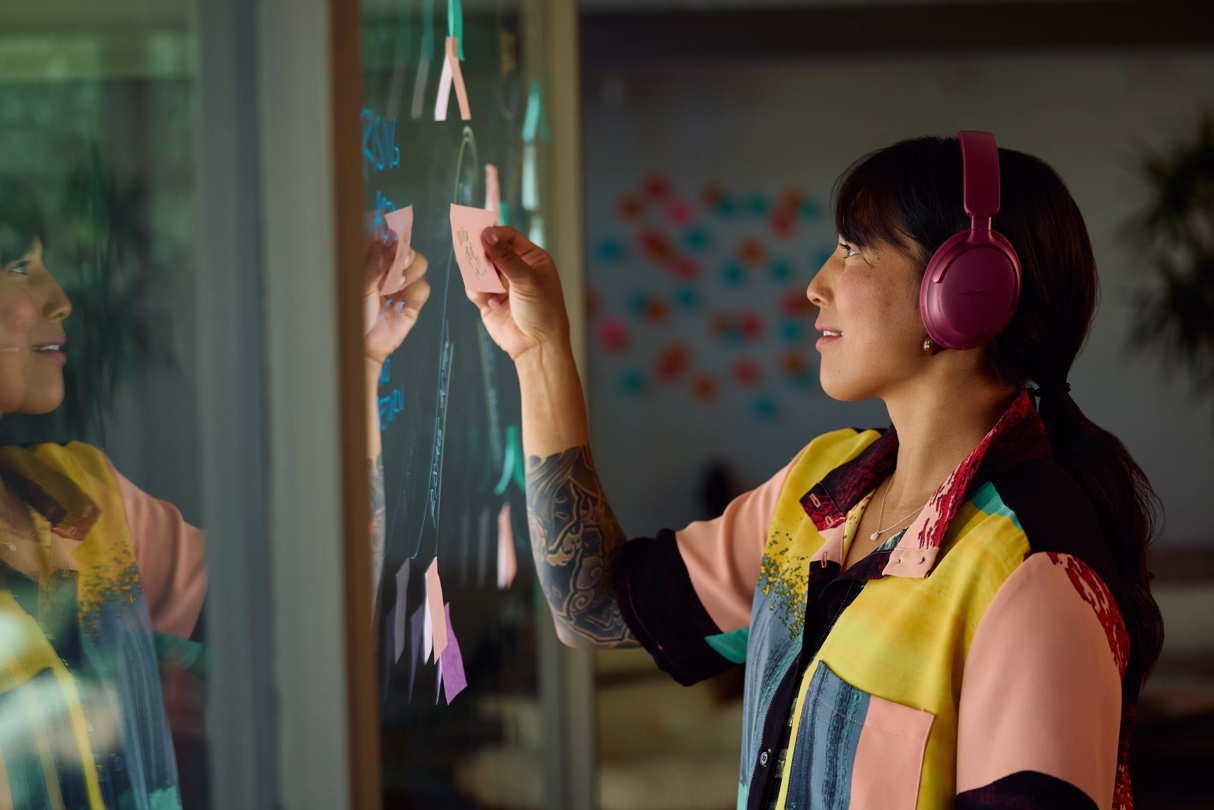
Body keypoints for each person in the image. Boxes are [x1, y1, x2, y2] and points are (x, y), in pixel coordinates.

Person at [468, 133, 1163, 810]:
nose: (814, 286)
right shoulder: (821, 490)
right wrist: (539, 353)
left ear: (967, 288)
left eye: (851, 250)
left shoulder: (1034, 570)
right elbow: (589, 607)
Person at [0, 173, 429, 808]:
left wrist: (360, 364)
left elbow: (313, 620)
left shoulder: (76, 498)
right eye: (18, 267)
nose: (59, 299)